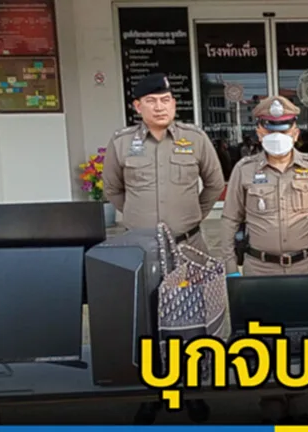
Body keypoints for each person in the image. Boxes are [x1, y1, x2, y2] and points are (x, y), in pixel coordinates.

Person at [101, 72, 225, 424]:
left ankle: (193, 391)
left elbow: (214, 183)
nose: (160, 107)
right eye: (152, 101)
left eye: (166, 100)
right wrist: (139, 221)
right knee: (147, 323)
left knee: (191, 322)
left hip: (187, 246)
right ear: (137, 106)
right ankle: (152, 393)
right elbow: (113, 189)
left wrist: (190, 218)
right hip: (140, 251)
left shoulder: (194, 139)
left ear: (174, 104)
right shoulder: (122, 143)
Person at [220, 95, 308, 424]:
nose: (277, 134)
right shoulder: (244, 170)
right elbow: (230, 221)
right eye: (270, 127)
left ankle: (299, 404)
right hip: (259, 269)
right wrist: (231, 269)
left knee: (303, 338)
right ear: (259, 132)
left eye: (284, 128)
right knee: (263, 338)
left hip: (305, 266)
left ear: (296, 132)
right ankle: (271, 403)